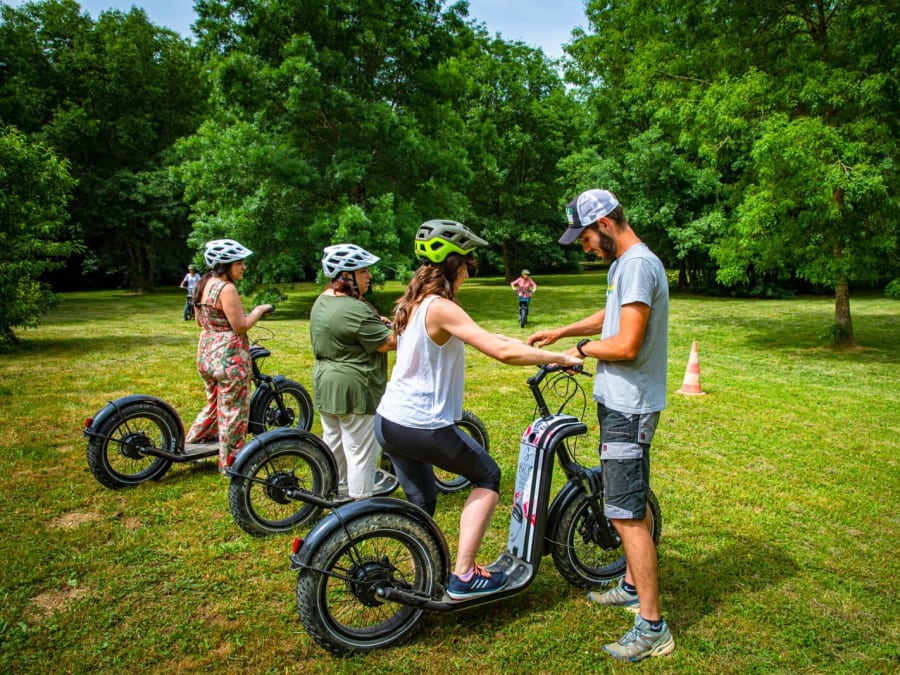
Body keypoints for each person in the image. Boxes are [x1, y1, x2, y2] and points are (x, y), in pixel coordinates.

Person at [375, 219, 581, 601]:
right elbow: (500, 352)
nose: (471, 271)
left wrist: (535, 349)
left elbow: (491, 337)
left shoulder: (413, 302)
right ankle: (465, 574)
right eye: (470, 264)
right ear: (455, 264)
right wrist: (558, 356)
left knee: (422, 504)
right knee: (487, 476)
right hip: (422, 423)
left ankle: (412, 572)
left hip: (389, 421)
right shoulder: (440, 307)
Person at [527, 189, 672, 661]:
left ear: (606, 224)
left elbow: (626, 344)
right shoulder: (621, 266)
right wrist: (566, 332)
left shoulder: (637, 264)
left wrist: (582, 352)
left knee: (625, 513)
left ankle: (652, 627)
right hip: (620, 402)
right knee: (629, 501)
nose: (585, 246)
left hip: (630, 408)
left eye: (586, 237)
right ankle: (631, 586)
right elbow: (613, 316)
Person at [310, 243, 397, 499]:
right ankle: (361, 505)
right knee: (361, 451)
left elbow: (351, 329)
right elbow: (387, 342)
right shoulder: (354, 309)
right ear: (346, 275)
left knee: (334, 444)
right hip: (355, 389)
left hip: (326, 385)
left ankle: (333, 493)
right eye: (364, 271)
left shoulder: (322, 301)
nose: (369, 276)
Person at [184, 239, 274, 474]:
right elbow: (241, 325)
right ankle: (232, 464)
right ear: (226, 264)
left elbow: (198, 321)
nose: (243, 267)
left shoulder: (202, 284)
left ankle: (190, 443)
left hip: (206, 352)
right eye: (240, 263)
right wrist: (259, 310)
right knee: (234, 410)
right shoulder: (226, 288)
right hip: (229, 357)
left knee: (214, 404)